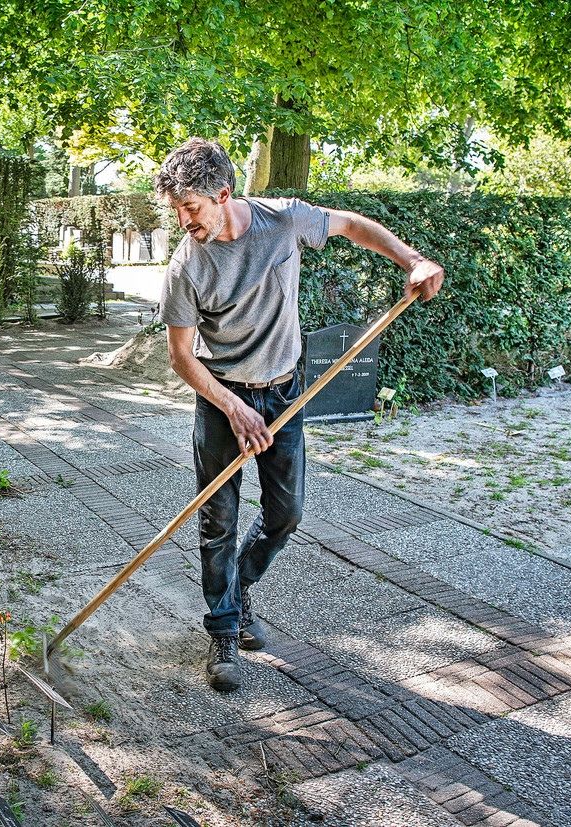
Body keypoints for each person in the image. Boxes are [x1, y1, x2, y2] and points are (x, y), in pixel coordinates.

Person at [154, 138, 444, 692]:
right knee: (217, 523)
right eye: (177, 211)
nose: (184, 220)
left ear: (223, 193)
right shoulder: (186, 267)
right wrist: (233, 407)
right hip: (222, 402)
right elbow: (181, 356)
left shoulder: (283, 221)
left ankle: (235, 596)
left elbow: (352, 225)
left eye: (191, 207)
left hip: (285, 393)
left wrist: (413, 259)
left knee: (286, 514)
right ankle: (223, 630)